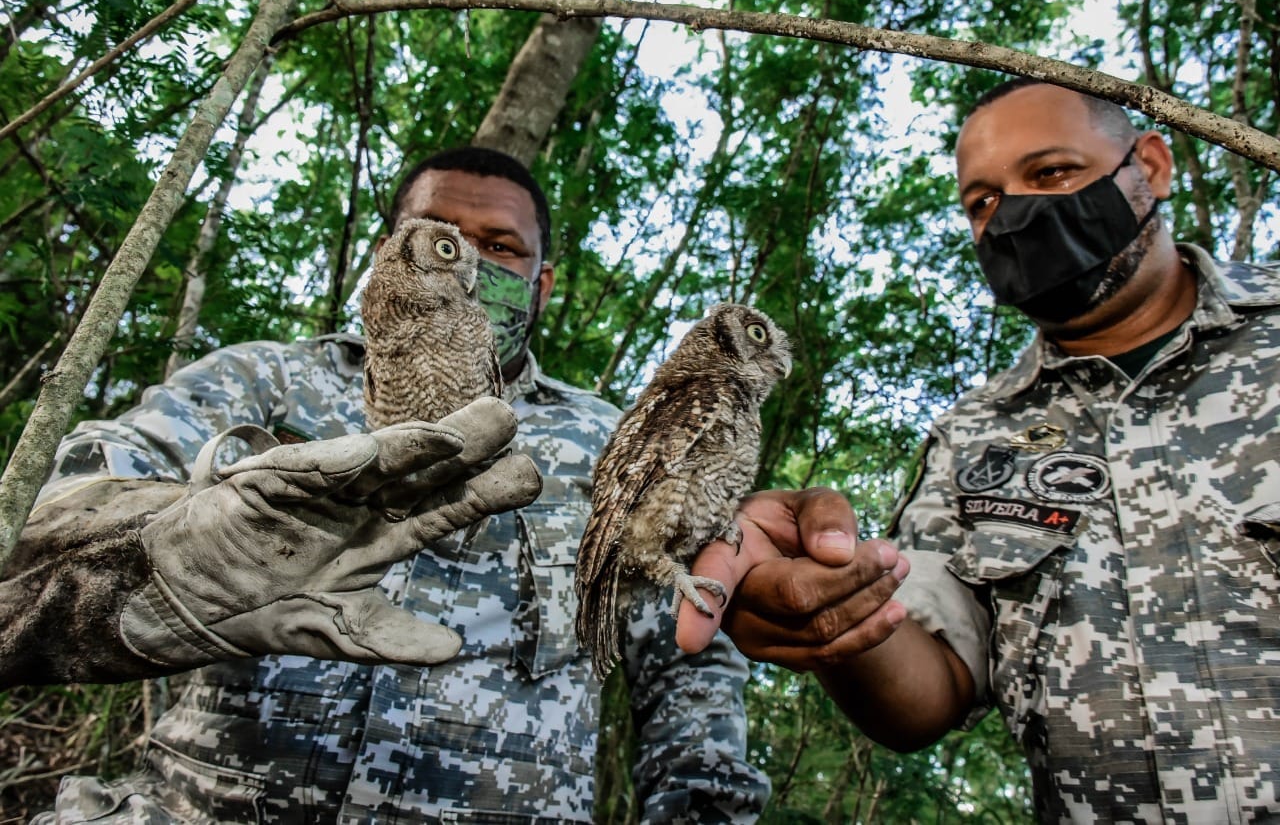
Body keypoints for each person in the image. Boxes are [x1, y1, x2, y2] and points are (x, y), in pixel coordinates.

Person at [7, 147, 769, 822]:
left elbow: (689, 666)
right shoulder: (265, 381)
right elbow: (45, 529)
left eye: (502, 247)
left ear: (540, 287)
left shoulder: (620, 438)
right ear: (390, 249)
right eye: (443, 235)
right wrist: (172, 552)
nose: (469, 260)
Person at [677, 79, 1280, 821]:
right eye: (983, 202)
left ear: (1149, 166)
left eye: (1052, 172)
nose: (1016, 214)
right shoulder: (976, 434)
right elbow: (928, 687)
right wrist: (827, 598)